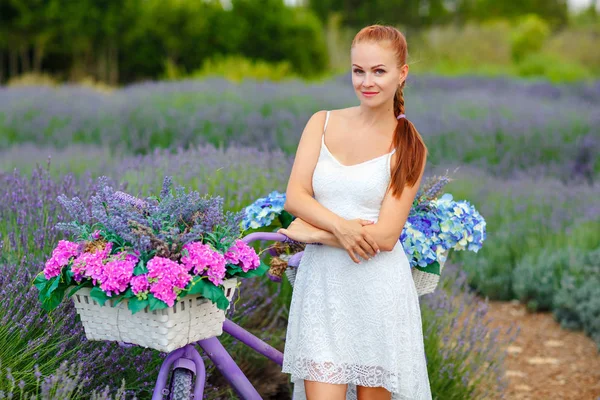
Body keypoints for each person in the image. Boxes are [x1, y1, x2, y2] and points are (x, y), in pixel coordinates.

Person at [278, 25, 432, 400]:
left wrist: (316, 234)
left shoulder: (409, 147)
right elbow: (295, 197)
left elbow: (384, 237)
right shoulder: (322, 122)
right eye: (358, 70)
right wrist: (341, 227)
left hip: (377, 292)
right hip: (323, 289)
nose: (367, 81)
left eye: (379, 71)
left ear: (402, 74)